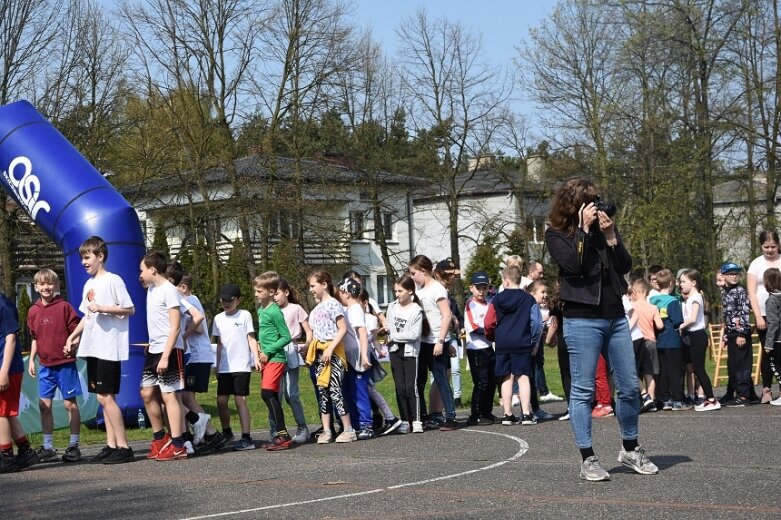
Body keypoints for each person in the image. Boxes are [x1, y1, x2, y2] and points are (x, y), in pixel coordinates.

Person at [545, 177, 657, 482]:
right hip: (581, 318)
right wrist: (582, 230)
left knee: (630, 387)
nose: (597, 206)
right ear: (575, 204)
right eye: (591, 201)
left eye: (598, 199)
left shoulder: (604, 228)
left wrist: (610, 236)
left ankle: (630, 448)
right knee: (583, 390)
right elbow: (572, 267)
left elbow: (623, 265)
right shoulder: (556, 233)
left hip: (615, 316)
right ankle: (588, 458)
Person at [65, 236, 135, 464]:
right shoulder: (89, 284)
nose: (84, 262)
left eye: (87, 257)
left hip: (108, 347)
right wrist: (73, 336)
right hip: (93, 346)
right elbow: (88, 315)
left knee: (106, 398)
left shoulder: (114, 280)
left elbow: (129, 309)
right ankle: (111, 444)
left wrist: (104, 307)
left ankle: (124, 447)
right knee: (102, 397)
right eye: (82, 258)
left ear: (100, 256)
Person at [139, 252, 192, 461]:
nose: (140, 274)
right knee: (147, 393)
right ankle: (161, 439)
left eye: (142, 269)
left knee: (170, 396)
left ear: (153, 269)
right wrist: (152, 346)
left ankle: (179, 445)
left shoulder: (170, 291)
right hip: (154, 349)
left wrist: (165, 356)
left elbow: (175, 326)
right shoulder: (151, 290)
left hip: (169, 350)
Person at [26, 269, 83, 462]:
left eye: (49, 283)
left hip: (65, 364)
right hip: (45, 366)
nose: (46, 287)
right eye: (42, 284)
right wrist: (32, 360)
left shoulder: (65, 307)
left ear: (56, 285)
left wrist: (73, 344)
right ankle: (48, 446)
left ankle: (74, 445)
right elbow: (35, 338)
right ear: (36, 287)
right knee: (44, 406)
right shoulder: (33, 311)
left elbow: (76, 332)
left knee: (70, 405)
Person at [171, 271, 227, 453]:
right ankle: (198, 437)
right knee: (185, 397)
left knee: (186, 397)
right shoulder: (189, 300)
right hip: (196, 356)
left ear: (183, 288)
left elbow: (201, 328)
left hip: (197, 356)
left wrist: (183, 335)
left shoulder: (189, 300)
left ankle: (211, 433)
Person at [484, 265, 541, 426]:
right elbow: (536, 323)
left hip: (503, 343)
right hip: (522, 342)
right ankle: (526, 413)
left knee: (506, 378)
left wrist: (492, 336)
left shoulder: (497, 299)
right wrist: (533, 340)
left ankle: (507, 414)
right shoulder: (528, 299)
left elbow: (488, 322)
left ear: (506, 281)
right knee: (523, 378)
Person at [305, 271, 356, 443]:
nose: (311, 290)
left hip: (333, 352)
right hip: (320, 353)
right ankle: (327, 430)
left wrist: (330, 349)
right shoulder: (315, 310)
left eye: (313, 286)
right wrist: (307, 347)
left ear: (324, 284)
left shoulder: (334, 304)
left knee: (335, 390)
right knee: (322, 392)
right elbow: (313, 334)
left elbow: (342, 328)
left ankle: (348, 429)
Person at [408, 255, 458, 431]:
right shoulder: (417, 289)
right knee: (419, 380)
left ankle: (451, 417)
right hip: (421, 341)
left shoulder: (437, 289)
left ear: (424, 271)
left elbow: (446, 315)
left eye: (414, 273)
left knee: (440, 378)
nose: (412, 276)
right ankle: (422, 416)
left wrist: (442, 341)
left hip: (436, 340)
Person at [212, 283, 261, 451]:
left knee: (240, 401)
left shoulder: (245, 315)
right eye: (223, 300)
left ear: (238, 300)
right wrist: (217, 366)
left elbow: (251, 338)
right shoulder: (218, 319)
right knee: (221, 401)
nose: (226, 303)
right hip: (225, 366)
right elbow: (219, 344)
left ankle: (247, 437)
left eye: (230, 300)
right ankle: (227, 432)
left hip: (241, 365)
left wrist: (255, 358)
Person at [254, 272, 294, 451]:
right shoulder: (261, 310)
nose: (256, 294)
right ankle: (279, 433)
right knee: (269, 394)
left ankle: (282, 434)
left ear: (271, 292)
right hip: (266, 359)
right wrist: (261, 352)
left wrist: (269, 351)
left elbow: (286, 337)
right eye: (255, 290)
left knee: (267, 394)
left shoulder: (275, 311)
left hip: (276, 358)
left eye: (259, 291)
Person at [0, 290, 38, 473]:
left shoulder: (3, 305)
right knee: (6, 412)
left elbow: (11, 338)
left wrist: (4, 371)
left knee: (1, 413)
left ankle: (6, 456)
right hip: (4, 367)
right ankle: (26, 451)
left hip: (6, 367)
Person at [274, 278, 312, 443]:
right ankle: (277, 430)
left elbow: (308, 331)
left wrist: (307, 345)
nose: (274, 297)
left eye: (276, 293)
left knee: (292, 394)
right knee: (277, 394)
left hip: (291, 350)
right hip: (276, 352)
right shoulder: (271, 310)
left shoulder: (296, 309)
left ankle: (302, 427)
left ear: (286, 292)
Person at [677, 269, 720, 411]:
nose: (681, 284)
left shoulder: (696, 298)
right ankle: (709, 398)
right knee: (697, 369)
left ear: (693, 282)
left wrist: (681, 326)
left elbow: (693, 318)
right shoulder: (690, 298)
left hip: (698, 335)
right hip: (692, 336)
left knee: (699, 369)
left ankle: (712, 399)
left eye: (683, 281)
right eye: (680, 281)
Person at [747, 230, 781, 403]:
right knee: (768, 352)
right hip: (764, 313)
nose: (769, 250)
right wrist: (758, 316)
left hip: (780, 313)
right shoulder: (756, 264)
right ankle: (766, 389)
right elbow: (751, 292)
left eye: (773, 246)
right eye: (766, 247)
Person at [649, 269, 687, 411]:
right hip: (673, 340)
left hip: (659, 340)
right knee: (675, 371)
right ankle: (677, 400)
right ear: (671, 283)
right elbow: (677, 321)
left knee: (663, 371)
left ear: (657, 284)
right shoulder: (673, 301)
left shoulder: (652, 301)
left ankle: (665, 399)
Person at [464, 271, 497, 425]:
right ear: (472, 288)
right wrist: (492, 332)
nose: (481, 291)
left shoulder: (490, 305)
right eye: (478, 288)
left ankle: (487, 411)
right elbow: (475, 327)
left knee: (491, 381)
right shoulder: (470, 305)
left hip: (488, 347)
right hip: (476, 349)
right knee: (481, 382)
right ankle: (475, 414)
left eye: (484, 288)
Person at [721, 263, 753, 407]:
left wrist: (742, 333)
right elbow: (727, 316)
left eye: (736, 274)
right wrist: (725, 335)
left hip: (740, 332)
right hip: (731, 332)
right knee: (733, 365)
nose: (733, 277)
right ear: (724, 276)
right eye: (730, 274)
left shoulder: (741, 291)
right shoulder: (725, 292)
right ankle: (748, 393)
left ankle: (744, 395)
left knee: (742, 365)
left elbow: (744, 312)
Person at [628, 278, 663, 412]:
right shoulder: (653, 307)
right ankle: (652, 400)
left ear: (635, 293)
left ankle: (643, 397)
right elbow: (660, 325)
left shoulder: (633, 307)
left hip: (638, 341)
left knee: (635, 370)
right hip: (651, 341)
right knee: (650, 372)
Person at [761, 268, 781, 406]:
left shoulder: (772, 300)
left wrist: (768, 344)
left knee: (777, 367)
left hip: (777, 340)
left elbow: (773, 323)